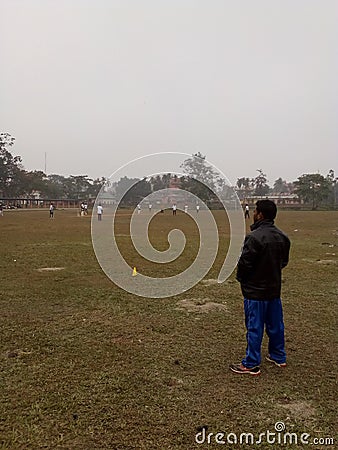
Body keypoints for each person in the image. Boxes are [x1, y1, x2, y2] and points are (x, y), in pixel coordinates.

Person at [230, 199, 290, 376]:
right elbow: (283, 262)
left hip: (255, 293)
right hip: (274, 290)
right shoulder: (283, 237)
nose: (254, 214)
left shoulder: (254, 238)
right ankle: (279, 356)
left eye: (256, 211)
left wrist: (243, 280)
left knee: (254, 326)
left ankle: (251, 363)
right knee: (276, 325)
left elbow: (245, 264)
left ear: (260, 214)